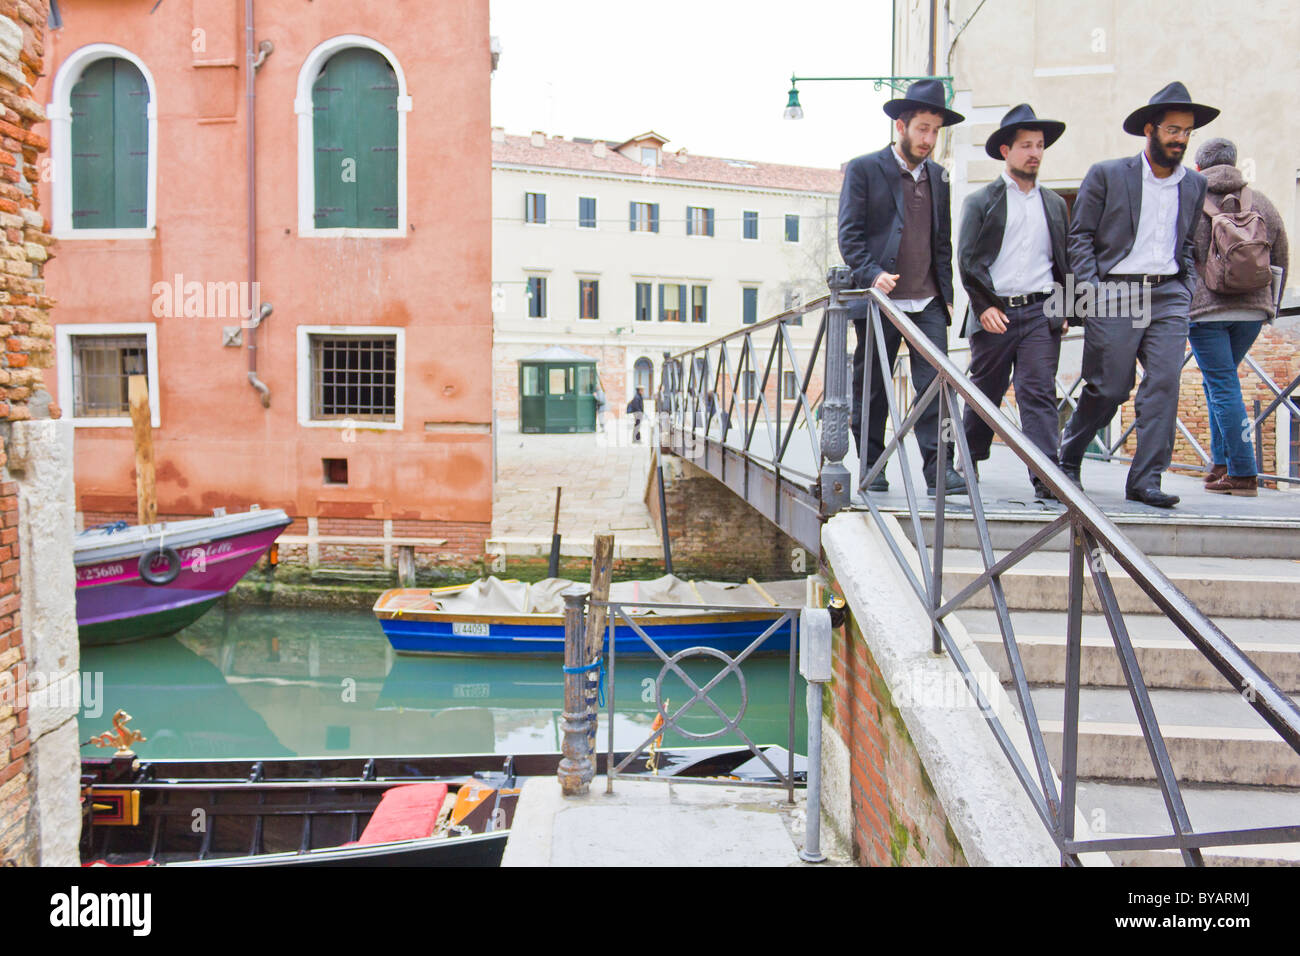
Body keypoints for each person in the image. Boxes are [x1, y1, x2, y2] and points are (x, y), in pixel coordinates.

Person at [1057, 82, 1217, 509]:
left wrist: (1187, 286)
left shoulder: (1194, 185)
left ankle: (1145, 478)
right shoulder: (1108, 174)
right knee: (1110, 388)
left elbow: (1185, 243)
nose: (1180, 138)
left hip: (1168, 295)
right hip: (1117, 292)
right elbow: (1081, 237)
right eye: (1172, 130)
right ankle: (1070, 452)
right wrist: (1092, 290)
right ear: (1150, 129)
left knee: (1164, 385)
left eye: (1186, 132)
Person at [838, 77, 966, 497]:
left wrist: (946, 298)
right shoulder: (864, 169)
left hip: (928, 301)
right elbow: (850, 237)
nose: (929, 138)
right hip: (882, 300)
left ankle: (939, 471)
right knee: (872, 388)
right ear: (901, 126)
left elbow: (941, 242)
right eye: (922, 129)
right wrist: (872, 273)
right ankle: (872, 466)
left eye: (935, 130)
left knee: (937, 389)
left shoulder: (940, 178)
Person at [957, 105, 1072, 501]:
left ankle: (1046, 476)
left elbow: (1063, 260)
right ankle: (969, 456)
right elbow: (968, 259)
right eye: (1026, 145)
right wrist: (984, 305)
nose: (1035, 153)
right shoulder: (981, 201)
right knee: (986, 389)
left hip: (1041, 312)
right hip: (995, 311)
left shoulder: (1055, 204)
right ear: (1006, 150)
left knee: (1037, 390)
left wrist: (1063, 309)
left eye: (1040, 146)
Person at [1188, 137, 1290, 496]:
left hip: (1206, 311)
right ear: (1234, 163)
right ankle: (1221, 463)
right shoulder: (1261, 201)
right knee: (1219, 381)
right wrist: (1269, 305)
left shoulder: (1190, 200)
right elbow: (1281, 254)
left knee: (1222, 384)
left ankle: (1244, 473)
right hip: (1252, 310)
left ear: (1199, 167)